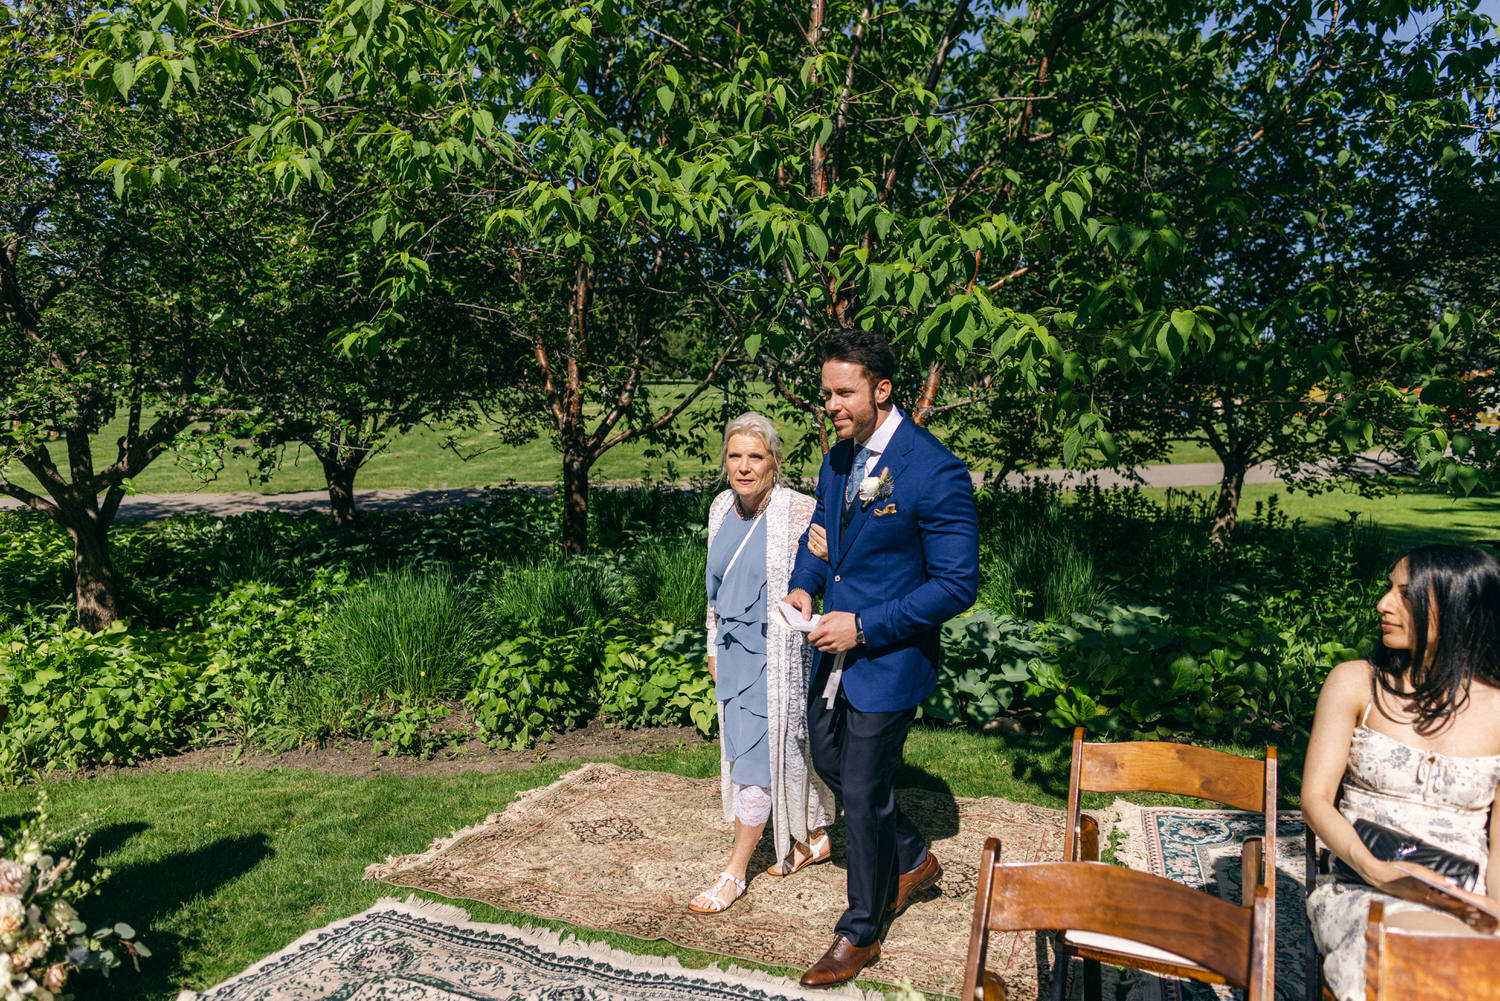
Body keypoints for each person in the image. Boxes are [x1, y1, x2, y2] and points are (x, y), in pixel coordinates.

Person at [783, 329, 980, 987]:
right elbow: (823, 535)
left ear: (882, 389)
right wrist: (802, 580)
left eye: (843, 392)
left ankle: (859, 930)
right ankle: (914, 856)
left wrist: (864, 627)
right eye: (826, 393)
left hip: (890, 656)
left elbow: (955, 584)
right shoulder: (838, 460)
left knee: (863, 789)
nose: (831, 404)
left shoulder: (934, 470)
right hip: (830, 648)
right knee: (828, 755)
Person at [1303, 544, 1500, 1001]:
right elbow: (1315, 801)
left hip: (1462, 893)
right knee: (1407, 963)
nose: (1383, 604)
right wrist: (1375, 870)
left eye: (1405, 595)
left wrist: (1492, 908)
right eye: (1389, 588)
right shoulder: (1356, 683)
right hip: (1363, 880)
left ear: (1459, 609)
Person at [690, 412, 836, 914]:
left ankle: (734, 873)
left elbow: (826, 570)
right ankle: (812, 836)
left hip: (778, 656)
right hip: (732, 652)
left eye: (756, 456)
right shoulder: (718, 509)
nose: (745, 467)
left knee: (758, 760)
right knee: (776, 751)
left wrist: (827, 552)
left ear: (775, 462)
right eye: (736, 456)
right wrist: (711, 644)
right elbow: (713, 589)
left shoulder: (800, 510)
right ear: (724, 462)